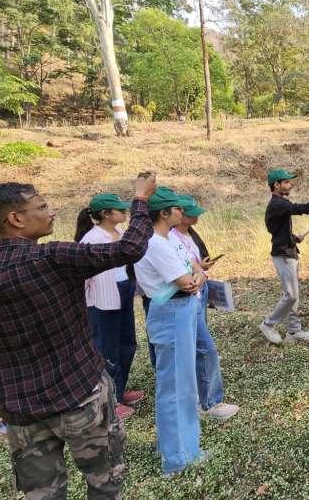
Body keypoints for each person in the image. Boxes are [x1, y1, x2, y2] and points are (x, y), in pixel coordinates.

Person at [0, 174, 155, 499]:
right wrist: (141, 198)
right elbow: (130, 248)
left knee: (42, 493)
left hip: (20, 413)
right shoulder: (53, 258)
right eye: (42, 206)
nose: (51, 212)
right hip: (81, 398)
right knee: (105, 482)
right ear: (15, 219)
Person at [135, 186, 209, 476]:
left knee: (185, 383)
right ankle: (176, 455)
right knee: (175, 386)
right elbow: (185, 281)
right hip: (171, 312)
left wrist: (197, 276)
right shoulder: (154, 243)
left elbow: (197, 270)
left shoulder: (172, 239)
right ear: (165, 213)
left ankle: (188, 446)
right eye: (178, 209)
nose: (183, 212)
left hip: (184, 309)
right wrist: (195, 278)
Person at [74, 193, 144, 421]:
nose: (124, 213)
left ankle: (120, 390)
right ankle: (110, 401)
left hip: (122, 291)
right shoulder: (93, 239)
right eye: (119, 209)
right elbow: (82, 278)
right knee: (107, 350)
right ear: (105, 214)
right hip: (103, 300)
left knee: (127, 343)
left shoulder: (120, 233)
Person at [170, 197, 240, 421]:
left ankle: (201, 396)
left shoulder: (188, 235)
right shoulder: (169, 238)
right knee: (204, 348)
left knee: (200, 347)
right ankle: (209, 402)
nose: (196, 216)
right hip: (187, 296)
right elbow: (184, 274)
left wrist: (202, 269)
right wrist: (199, 273)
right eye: (190, 213)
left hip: (198, 295)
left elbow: (194, 265)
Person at [259, 169, 309, 345]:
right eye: (286, 182)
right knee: (291, 295)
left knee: (293, 294)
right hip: (283, 254)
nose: (290, 184)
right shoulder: (277, 204)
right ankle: (268, 324)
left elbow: (278, 230)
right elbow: (302, 209)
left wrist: (293, 238)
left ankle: (294, 331)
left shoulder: (280, 204)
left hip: (289, 251)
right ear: (276, 185)